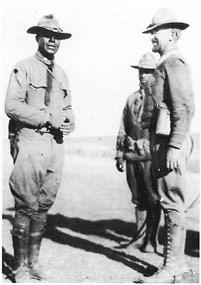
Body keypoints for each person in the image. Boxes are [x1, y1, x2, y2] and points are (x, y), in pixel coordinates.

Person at [5, 14, 75, 283]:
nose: (53, 40)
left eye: (57, 37)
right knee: (25, 202)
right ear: (37, 37)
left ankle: (33, 262)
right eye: (47, 35)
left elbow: (68, 109)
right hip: (32, 140)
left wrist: (70, 122)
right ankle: (19, 266)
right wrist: (47, 118)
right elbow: (11, 106)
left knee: (44, 202)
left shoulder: (62, 74)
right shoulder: (23, 68)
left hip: (55, 144)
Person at [140, 8, 195, 283]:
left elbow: (184, 107)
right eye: (151, 31)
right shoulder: (164, 62)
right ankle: (178, 265)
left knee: (172, 201)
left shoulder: (174, 62)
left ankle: (172, 267)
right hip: (162, 142)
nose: (151, 36)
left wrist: (174, 145)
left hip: (169, 143)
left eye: (156, 31)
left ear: (173, 34)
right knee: (169, 200)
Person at [115, 52, 161, 254]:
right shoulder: (131, 99)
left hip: (151, 157)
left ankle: (151, 241)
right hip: (132, 156)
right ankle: (139, 236)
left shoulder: (161, 100)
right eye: (141, 72)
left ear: (156, 74)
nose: (143, 76)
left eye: (148, 72)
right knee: (138, 199)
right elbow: (123, 127)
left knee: (153, 199)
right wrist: (119, 153)